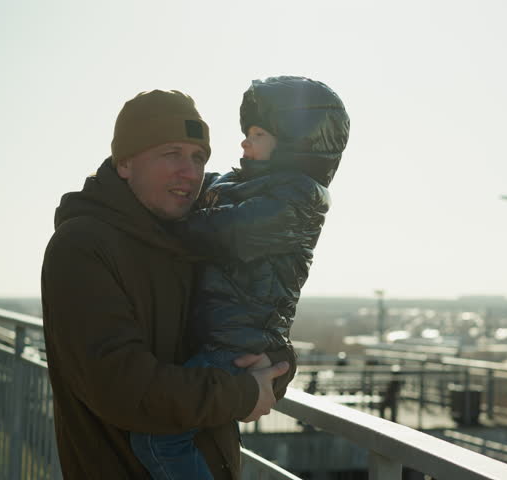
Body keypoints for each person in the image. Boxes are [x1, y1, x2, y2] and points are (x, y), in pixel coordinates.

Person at [41, 89, 289, 479]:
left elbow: (248, 329)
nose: (189, 173)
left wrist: (275, 366)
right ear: (125, 162)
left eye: (198, 157)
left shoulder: (195, 237)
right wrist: (242, 392)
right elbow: (124, 387)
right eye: (171, 153)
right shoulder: (82, 247)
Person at [130, 76, 350, 479]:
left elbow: (223, 231)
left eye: (258, 134)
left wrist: (169, 221)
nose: (245, 143)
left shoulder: (296, 199)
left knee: (157, 437)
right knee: (179, 429)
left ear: (292, 143)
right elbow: (204, 187)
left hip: (237, 346)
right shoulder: (250, 184)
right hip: (226, 339)